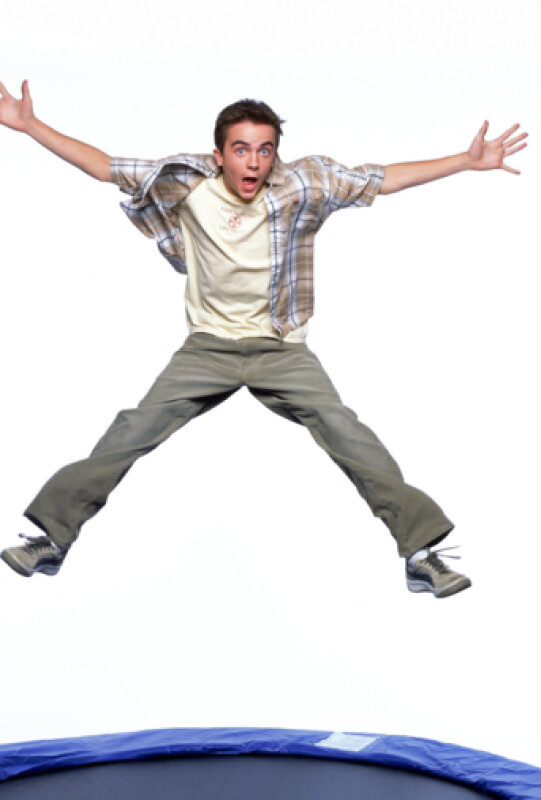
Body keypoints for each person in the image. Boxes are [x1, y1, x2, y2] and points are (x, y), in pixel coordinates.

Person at [0, 80, 527, 597]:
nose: (253, 162)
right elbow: (103, 166)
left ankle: (420, 554)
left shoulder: (305, 184)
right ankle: (52, 540)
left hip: (281, 350)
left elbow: (381, 179)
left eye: (265, 150)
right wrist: (29, 126)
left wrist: (465, 160)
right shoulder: (186, 180)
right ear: (219, 155)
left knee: (345, 430)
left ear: (276, 155)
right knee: (131, 429)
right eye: (241, 150)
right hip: (208, 348)